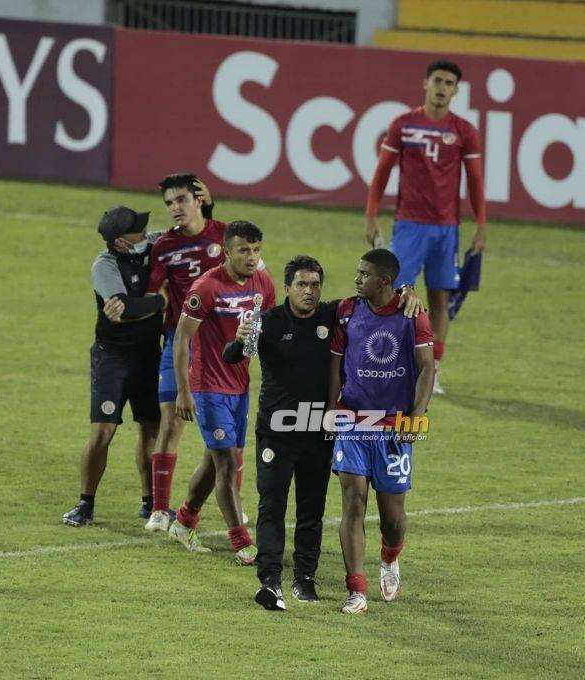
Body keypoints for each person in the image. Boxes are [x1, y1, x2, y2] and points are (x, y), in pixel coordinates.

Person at [224, 256, 424, 611]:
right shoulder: (268, 321)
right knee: (274, 504)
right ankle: (272, 580)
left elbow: (381, 296)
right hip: (280, 429)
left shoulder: (334, 314)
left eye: (315, 284)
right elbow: (233, 356)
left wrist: (407, 290)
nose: (309, 291)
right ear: (286, 288)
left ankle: (305, 578)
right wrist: (240, 339)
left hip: (323, 430)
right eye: (301, 284)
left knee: (313, 508)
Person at [364, 59, 487, 394]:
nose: (442, 87)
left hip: (446, 228)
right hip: (409, 226)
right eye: (437, 81)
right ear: (426, 83)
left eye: (449, 83)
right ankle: (392, 365)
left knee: (440, 298)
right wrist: (371, 214)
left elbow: (475, 180)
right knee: (395, 295)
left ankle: (433, 371)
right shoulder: (403, 124)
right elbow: (382, 171)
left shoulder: (464, 131)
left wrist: (480, 224)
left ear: (456, 90)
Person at [326, 249, 435, 614]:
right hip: (354, 420)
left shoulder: (412, 315)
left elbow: (426, 369)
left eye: (363, 274)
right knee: (353, 501)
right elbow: (335, 364)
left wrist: (416, 416)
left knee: (392, 517)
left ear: (384, 281)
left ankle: (390, 555)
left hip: (392, 425)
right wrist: (331, 408)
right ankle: (356, 590)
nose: (356, 279)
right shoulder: (346, 310)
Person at [168, 221, 275, 565]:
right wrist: (183, 392)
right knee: (227, 462)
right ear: (227, 251)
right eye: (244, 250)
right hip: (207, 386)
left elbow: (271, 325)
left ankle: (184, 521)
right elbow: (182, 339)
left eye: (256, 250)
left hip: (240, 385)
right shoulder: (207, 287)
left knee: (215, 462)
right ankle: (242, 542)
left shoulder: (262, 282)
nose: (251, 257)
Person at [61, 206, 167, 526]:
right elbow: (126, 310)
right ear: (120, 242)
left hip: (150, 354)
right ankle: (85, 502)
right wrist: (162, 301)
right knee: (103, 431)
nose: (144, 231)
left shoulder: (155, 243)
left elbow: (195, 234)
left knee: (151, 427)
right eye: (137, 229)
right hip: (113, 357)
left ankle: (150, 502)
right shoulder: (105, 266)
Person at [141, 173, 230, 533]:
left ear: (199, 200)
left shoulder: (225, 235)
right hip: (177, 342)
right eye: (169, 203)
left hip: (218, 347)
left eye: (180, 200)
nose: (175, 208)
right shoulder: (163, 246)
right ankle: (160, 510)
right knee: (170, 422)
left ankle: (214, 511)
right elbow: (154, 291)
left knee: (223, 432)